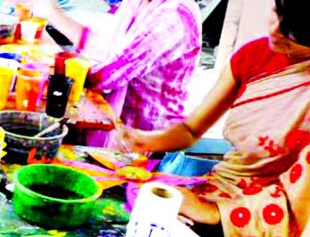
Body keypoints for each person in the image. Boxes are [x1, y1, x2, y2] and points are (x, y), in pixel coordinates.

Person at [124, 0, 310, 237]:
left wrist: (217, 213)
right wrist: (141, 140)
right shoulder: (254, 56)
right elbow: (191, 130)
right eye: (277, 17)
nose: (274, 34)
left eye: (292, 35)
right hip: (220, 186)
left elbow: (308, 205)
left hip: (278, 230)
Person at [30, 0, 201, 143]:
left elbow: (108, 76)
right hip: (115, 118)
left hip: (145, 137)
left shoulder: (172, 15)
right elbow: (102, 48)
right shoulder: (138, 3)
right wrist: (53, 13)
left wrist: (53, 14)